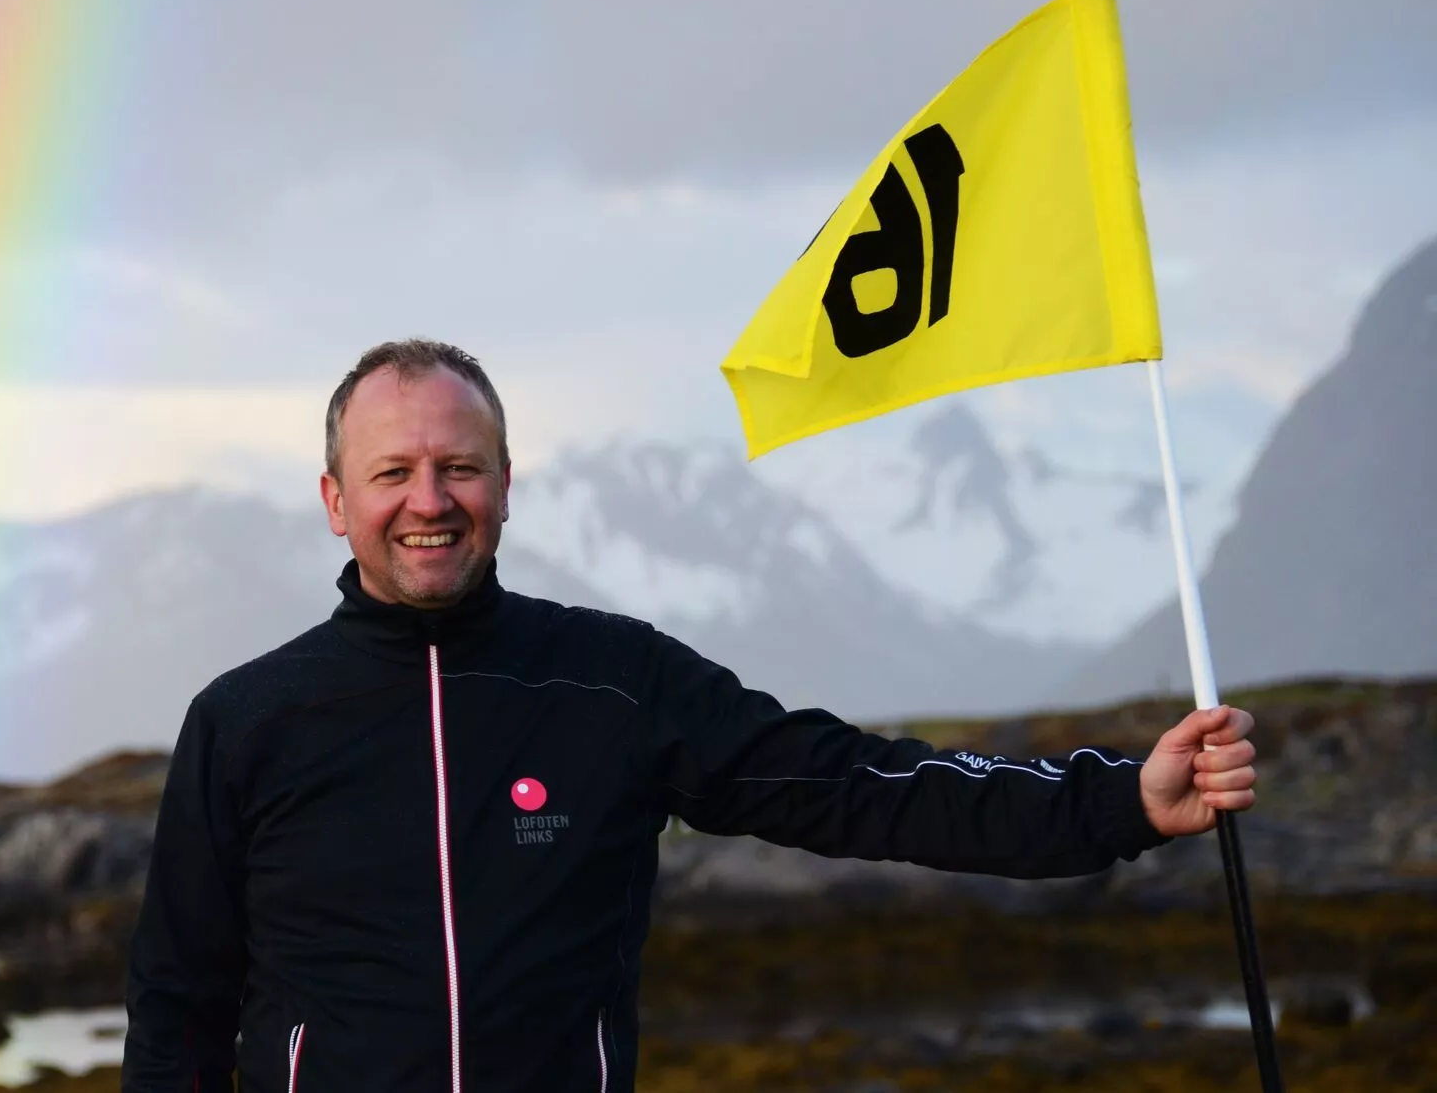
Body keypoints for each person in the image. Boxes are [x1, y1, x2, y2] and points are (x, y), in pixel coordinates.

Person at [122, 339, 1258, 1093]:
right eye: (392, 473)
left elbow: (850, 787)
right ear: (335, 502)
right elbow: (178, 1004)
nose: (429, 500)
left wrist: (1117, 801)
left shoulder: (612, 686)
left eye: (458, 468)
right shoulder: (248, 720)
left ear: (505, 485)